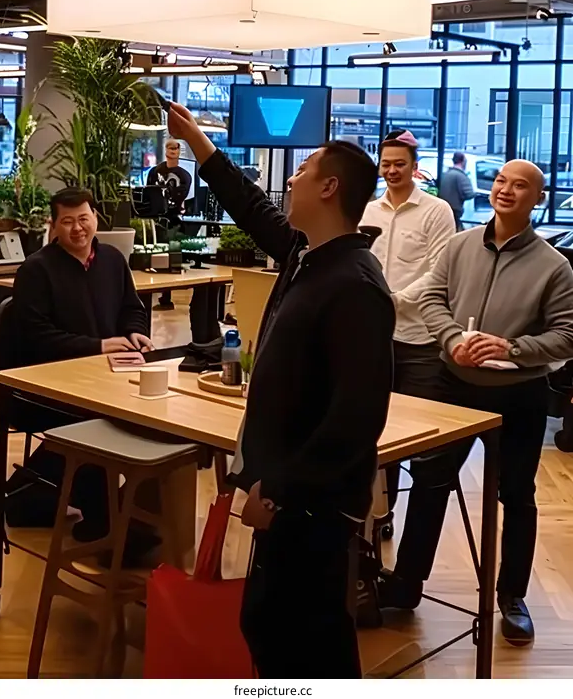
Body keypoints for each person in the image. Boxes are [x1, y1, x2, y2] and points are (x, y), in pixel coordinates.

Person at [167, 100, 394, 680]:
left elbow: (354, 418)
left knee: (303, 634)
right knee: (274, 625)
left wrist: (281, 490)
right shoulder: (307, 253)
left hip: (311, 498)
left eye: (303, 171)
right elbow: (250, 207)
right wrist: (199, 144)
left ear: (330, 188)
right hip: (291, 486)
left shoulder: (355, 287)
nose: (290, 180)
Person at [382, 160, 573, 646]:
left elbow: (567, 335)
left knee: (518, 495)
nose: (506, 190)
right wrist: (449, 339)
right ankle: (406, 585)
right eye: (501, 181)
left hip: (519, 393)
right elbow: (433, 301)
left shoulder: (554, 266)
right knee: (429, 482)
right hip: (453, 384)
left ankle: (512, 595)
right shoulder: (460, 245)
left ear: (538, 199)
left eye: (521, 185)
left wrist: (512, 348)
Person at [11, 188, 153, 541]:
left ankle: (137, 514)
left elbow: (132, 308)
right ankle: (104, 526)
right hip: (47, 386)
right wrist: (99, 346)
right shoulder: (36, 269)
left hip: (107, 378)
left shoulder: (112, 260)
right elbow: (36, 338)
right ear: (53, 225)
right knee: (98, 421)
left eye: (84, 219)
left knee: (156, 415)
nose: (78, 228)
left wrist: (135, 333)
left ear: (96, 219)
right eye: (68, 221)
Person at [361, 130, 455, 508]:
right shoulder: (368, 210)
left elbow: (439, 270)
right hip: (374, 338)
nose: (392, 171)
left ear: (416, 169)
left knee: (420, 437)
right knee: (376, 431)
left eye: (400, 164)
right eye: (386, 164)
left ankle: (419, 520)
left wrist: (396, 300)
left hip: (420, 340)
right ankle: (382, 515)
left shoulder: (437, 211)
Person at [147, 139, 193, 308]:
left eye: (176, 147)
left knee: (172, 257)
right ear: (165, 149)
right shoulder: (155, 172)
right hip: (157, 219)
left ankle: (167, 296)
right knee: (156, 255)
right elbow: (149, 192)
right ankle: (158, 291)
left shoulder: (184, 176)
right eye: (170, 147)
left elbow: (180, 196)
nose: (173, 150)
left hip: (174, 219)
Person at [440, 151, 474, 229]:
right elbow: (469, 194)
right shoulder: (461, 176)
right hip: (455, 211)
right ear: (463, 161)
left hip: (444, 210)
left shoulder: (445, 174)